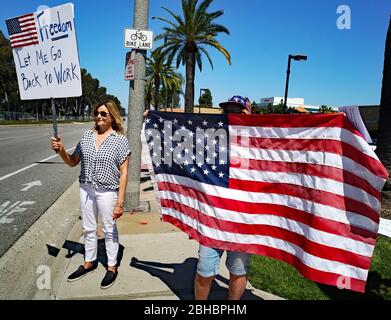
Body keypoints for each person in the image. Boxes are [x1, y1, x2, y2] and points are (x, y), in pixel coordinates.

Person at [51, 100, 130, 289]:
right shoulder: (86, 136)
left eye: (104, 114)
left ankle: (112, 266)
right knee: (88, 228)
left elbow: (124, 172)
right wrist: (61, 150)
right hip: (86, 188)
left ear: (112, 117)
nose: (99, 117)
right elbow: (72, 162)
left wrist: (120, 202)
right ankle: (89, 261)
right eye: (97, 113)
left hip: (107, 191)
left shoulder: (120, 140)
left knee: (109, 228)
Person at [194, 95, 252, 300]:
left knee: (238, 270)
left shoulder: (260, 142)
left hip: (242, 222)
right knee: (204, 271)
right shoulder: (211, 140)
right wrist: (154, 119)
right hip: (213, 218)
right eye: (228, 112)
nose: (232, 116)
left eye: (238, 111)